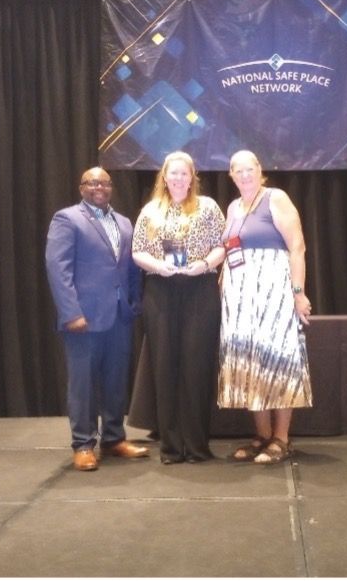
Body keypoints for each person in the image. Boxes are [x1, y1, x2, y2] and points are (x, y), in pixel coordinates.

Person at [45, 166, 148, 471]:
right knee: (84, 384)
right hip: (83, 318)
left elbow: (130, 268)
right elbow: (58, 268)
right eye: (92, 182)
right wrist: (71, 312)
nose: (99, 187)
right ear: (82, 188)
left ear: (111, 188)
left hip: (118, 316)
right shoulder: (67, 219)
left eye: (105, 183)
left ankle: (114, 439)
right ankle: (83, 444)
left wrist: (133, 303)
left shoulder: (124, 222)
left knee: (115, 382)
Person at [218, 150, 313, 464]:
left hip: (273, 294)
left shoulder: (276, 198)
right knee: (250, 362)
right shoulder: (233, 207)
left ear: (260, 170)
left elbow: (297, 247)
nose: (245, 175)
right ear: (231, 175)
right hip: (240, 299)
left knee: (278, 360)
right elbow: (230, 250)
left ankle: (281, 439)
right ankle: (261, 435)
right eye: (239, 170)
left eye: (250, 169)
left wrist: (298, 293)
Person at [132, 151, 225, 464]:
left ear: (192, 177)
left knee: (197, 368)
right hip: (161, 291)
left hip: (200, 289)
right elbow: (137, 252)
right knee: (164, 367)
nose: (178, 178)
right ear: (164, 176)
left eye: (184, 173)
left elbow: (223, 245)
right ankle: (171, 448)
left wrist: (204, 264)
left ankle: (197, 446)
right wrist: (158, 266)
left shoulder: (208, 207)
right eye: (173, 173)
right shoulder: (150, 211)